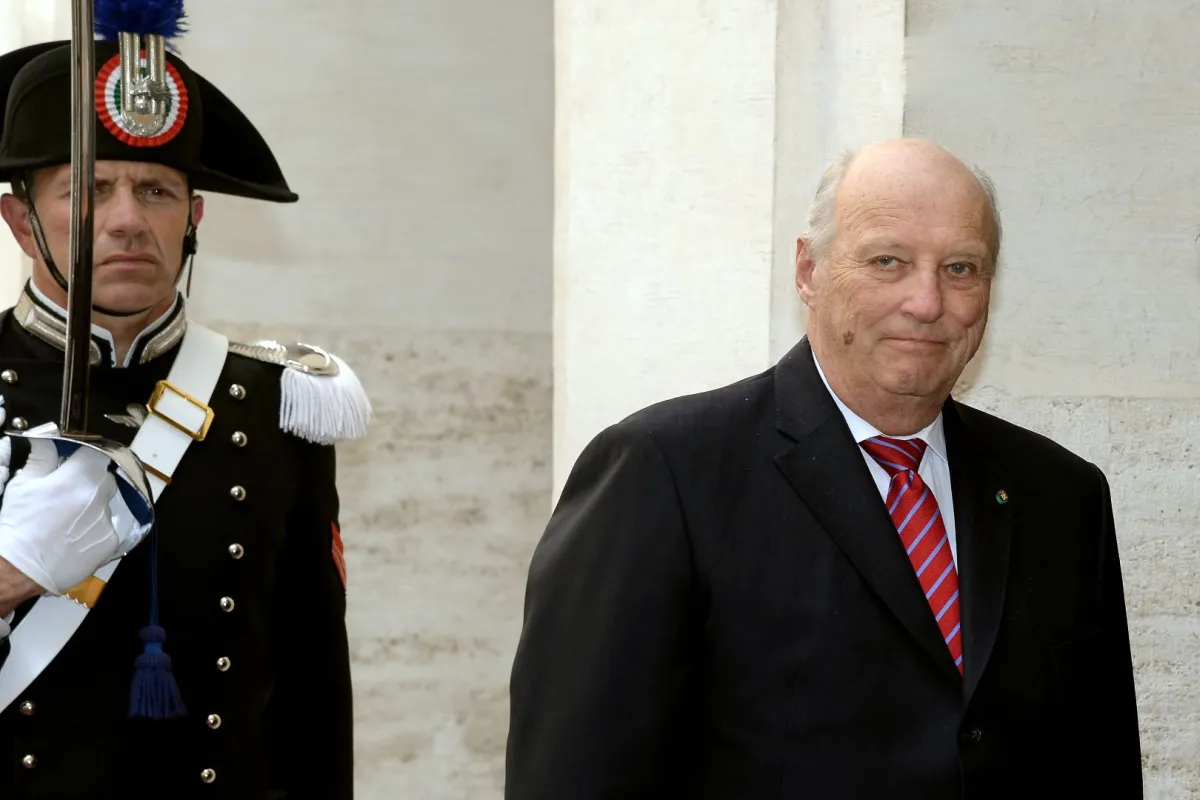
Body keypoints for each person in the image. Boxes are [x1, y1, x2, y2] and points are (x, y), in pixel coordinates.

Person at [505, 139, 1143, 798]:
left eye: (960, 268)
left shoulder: (1063, 497)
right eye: (887, 262)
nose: (927, 302)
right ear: (809, 271)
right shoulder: (663, 473)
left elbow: (1099, 768)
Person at [0, 29, 370, 800]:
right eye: (89, 189)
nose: (128, 219)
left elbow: (310, 689)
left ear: (194, 216)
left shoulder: (274, 406)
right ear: (19, 218)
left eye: (156, 191)